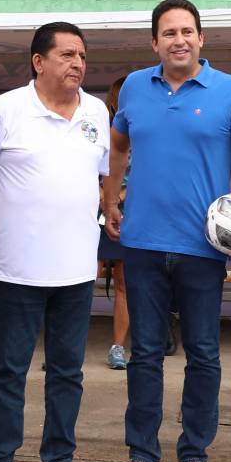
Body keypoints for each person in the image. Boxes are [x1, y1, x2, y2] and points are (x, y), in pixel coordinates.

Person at [103, 0, 231, 462]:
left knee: (203, 354)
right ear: (154, 42)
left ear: (202, 39)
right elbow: (118, 146)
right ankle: (141, 457)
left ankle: (194, 458)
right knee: (145, 355)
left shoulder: (229, 91)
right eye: (168, 32)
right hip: (140, 244)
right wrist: (111, 197)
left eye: (187, 31)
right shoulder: (136, 86)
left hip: (203, 250)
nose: (179, 40)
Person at [0, 22, 109, 462]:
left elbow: (104, 176)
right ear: (38, 61)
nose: (77, 64)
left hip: (76, 272)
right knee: (9, 371)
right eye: (67, 54)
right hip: (16, 271)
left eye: (82, 56)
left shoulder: (95, 110)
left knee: (68, 373)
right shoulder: (6, 109)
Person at [99, 75, 129, 370]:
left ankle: (117, 347)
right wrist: (102, 194)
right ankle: (64, 341)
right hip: (93, 212)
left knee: (123, 281)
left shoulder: (144, 133)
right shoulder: (98, 131)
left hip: (129, 212)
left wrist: (121, 193)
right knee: (81, 276)